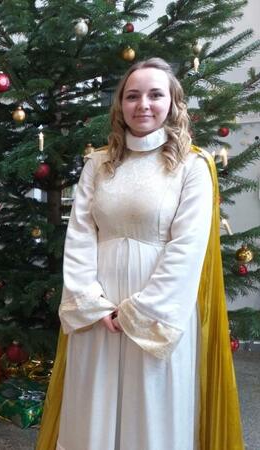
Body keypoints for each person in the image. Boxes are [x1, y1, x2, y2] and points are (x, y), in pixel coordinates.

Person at [36, 58, 244, 450]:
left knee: (152, 406)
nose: (143, 104)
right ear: (120, 105)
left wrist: (141, 311)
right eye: (132, 96)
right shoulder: (98, 164)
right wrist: (92, 303)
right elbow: (80, 234)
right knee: (91, 405)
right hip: (99, 304)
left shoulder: (192, 166)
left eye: (155, 94)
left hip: (159, 307)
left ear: (173, 102)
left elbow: (188, 247)